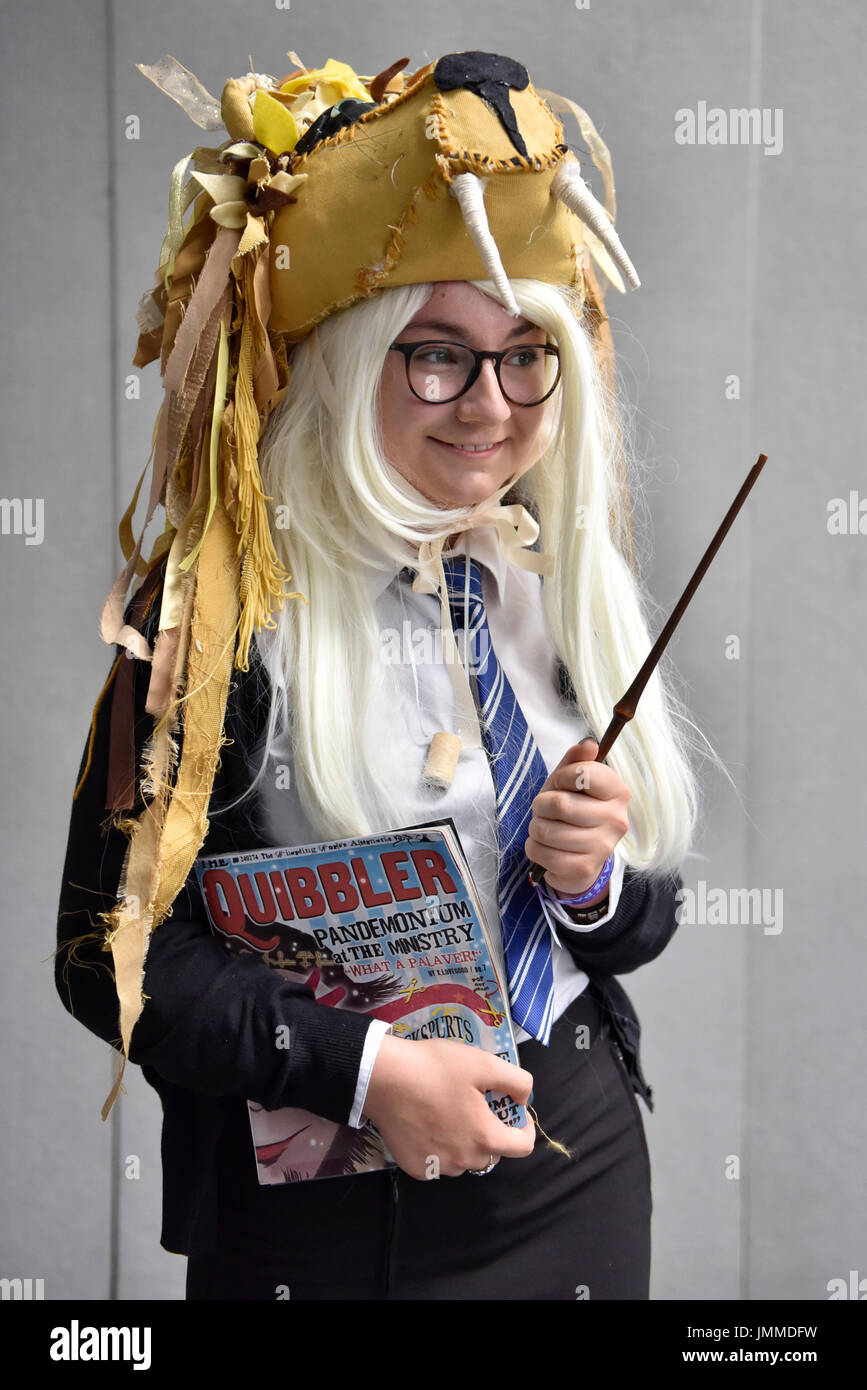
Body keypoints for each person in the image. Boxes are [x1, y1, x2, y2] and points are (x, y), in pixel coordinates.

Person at [56, 49, 699, 1300]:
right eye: (437, 354)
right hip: (324, 1211)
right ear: (350, 362)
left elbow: (643, 920)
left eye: (526, 354)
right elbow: (112, 957)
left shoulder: (554, 578)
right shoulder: (217, 618)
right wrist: (368, 1073)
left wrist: (591, 883)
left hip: (575, 1167)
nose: (492, 407)